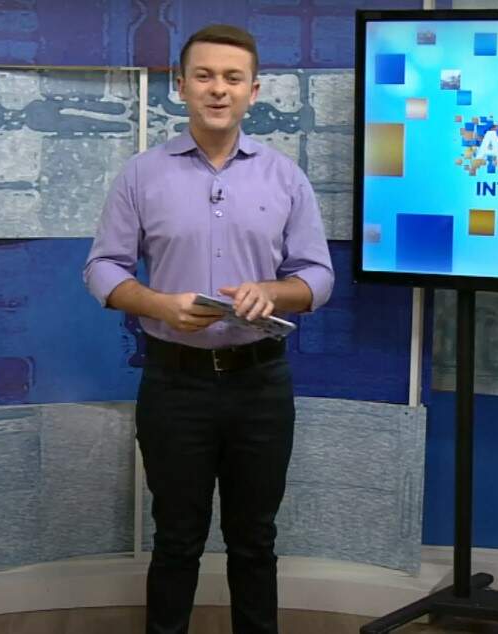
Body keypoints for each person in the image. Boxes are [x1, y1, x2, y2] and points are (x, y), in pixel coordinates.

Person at [83, 24, 333, 634]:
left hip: (260, 385)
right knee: (176, 539)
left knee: (255, 540)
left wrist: (273, 292)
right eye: (204, 76)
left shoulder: (285, 178)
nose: (218, 89)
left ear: (253, 91)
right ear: (181, 86)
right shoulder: (141, 175)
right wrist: (158, 305)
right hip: (175, 384)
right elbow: (102, 268)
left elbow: (318, 277)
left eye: (232, 78)